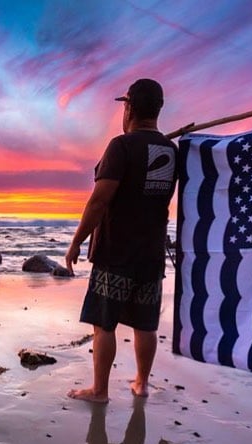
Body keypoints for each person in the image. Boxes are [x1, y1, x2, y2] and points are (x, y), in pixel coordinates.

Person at [65, 78, 178, 402]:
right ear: (159, 109)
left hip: (116, 252)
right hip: (152, 253)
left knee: (104, 323)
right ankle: (141, 383)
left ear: (128, 107)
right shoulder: (170, 151)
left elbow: (99, 201)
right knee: (145, 324)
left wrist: (76, 242)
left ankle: (100, 390)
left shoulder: (122, 146)